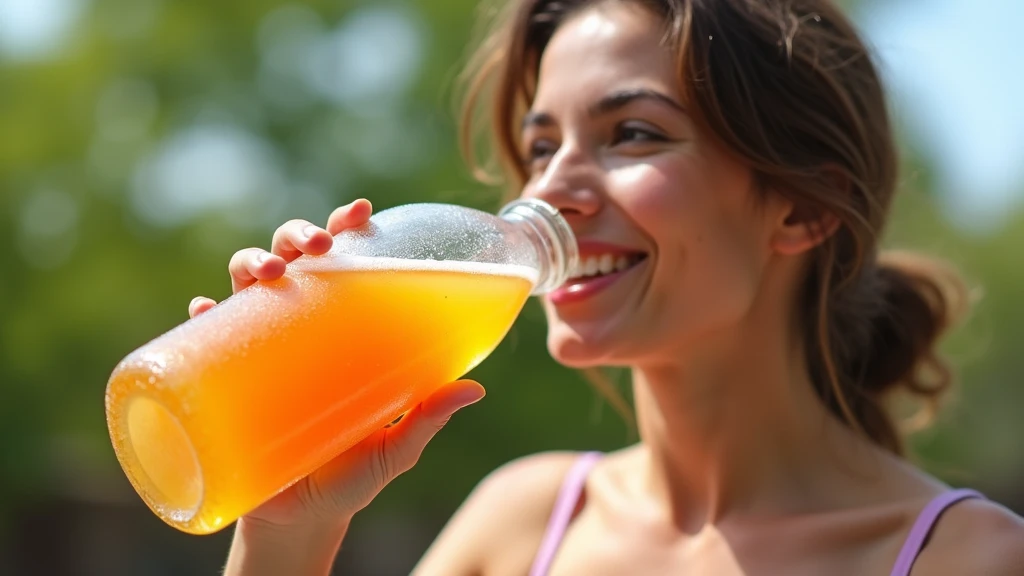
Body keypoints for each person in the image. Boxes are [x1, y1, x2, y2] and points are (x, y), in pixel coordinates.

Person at [189, 0, 1024, 574]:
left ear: (801, 208)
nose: (548, 190)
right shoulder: (521, 525)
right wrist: (285, 534)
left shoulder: (966, 559)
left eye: (632, 133)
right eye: (542, 144)